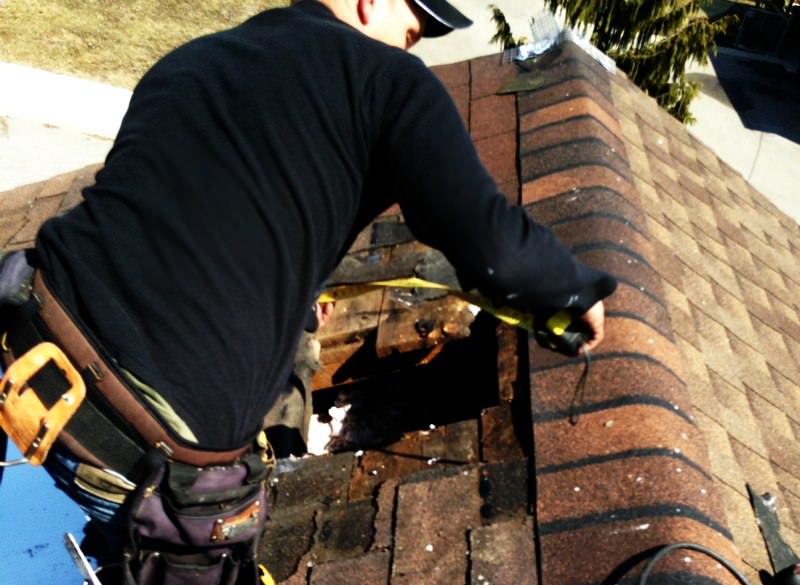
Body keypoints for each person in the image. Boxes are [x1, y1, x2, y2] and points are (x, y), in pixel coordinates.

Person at [0, 0, 616, 583]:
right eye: (415, 25)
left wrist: (290, 299)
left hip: (28, 343)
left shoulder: (195, 57)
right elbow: (492, 247)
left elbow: (197, 215)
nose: (416, 43)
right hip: (145, 443)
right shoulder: (392, 81)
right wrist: (572, 290)